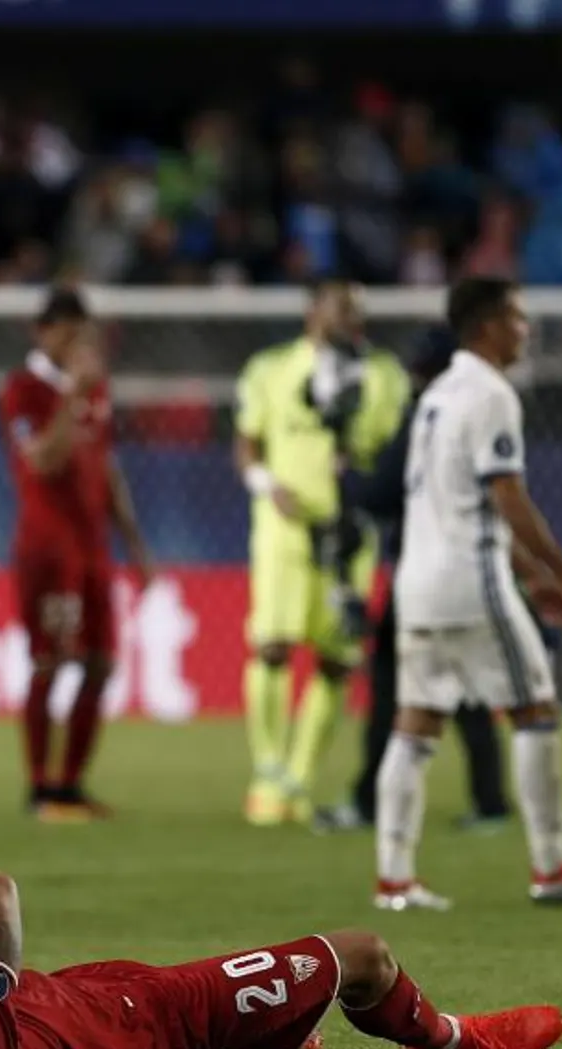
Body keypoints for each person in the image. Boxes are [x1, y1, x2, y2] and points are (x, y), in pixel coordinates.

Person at [378, 276, 562, 910]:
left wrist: (537, 579)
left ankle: (394, 879)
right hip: (472, 580)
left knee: (416, 723)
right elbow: (507, 499)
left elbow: (456, 505)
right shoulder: (491, 394)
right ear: (488, 326)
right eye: (518, 318)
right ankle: (553, 868)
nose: (526, 329)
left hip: (418, 582)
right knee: (536, 709)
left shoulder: (437, 393)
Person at [0, 868, 562, 1049]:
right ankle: (451, 1038)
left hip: (77, 993)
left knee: (278, 1000)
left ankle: (277, 1028)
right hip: (150, 1021)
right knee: (361, 954)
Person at [318, 327, 509, 834]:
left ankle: (368, 802)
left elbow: (381, 493)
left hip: (424, 574)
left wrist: (347, 476)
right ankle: (490, 802)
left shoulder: (428, 417)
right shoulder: (482, 416)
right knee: (469, 691)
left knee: (387, 690)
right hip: (471, 569)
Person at [234, 279, 410, 826]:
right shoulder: (270, 368)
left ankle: (300, 778)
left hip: (351, 530)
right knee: (274, 646)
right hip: (285, 527)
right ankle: (267, 771)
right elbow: (246, 441)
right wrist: (265, 483)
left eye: (356, 309)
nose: (349, 318)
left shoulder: (385, 376)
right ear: (313, 312)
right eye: (338, 308)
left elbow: (393, 450)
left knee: (337, 660)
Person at [0, 288, 151, 821]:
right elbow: (42, 460)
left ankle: (70, 786)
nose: (79, 343)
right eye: (69, 332)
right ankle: (40, 791)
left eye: (84, 333)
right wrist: (71, 396)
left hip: (93, 548)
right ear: (44, 332)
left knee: (102, 663)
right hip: (47, 547)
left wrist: (134, 543)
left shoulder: (94, 389)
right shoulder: (23, 390)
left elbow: (104, 466)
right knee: (50, 661)